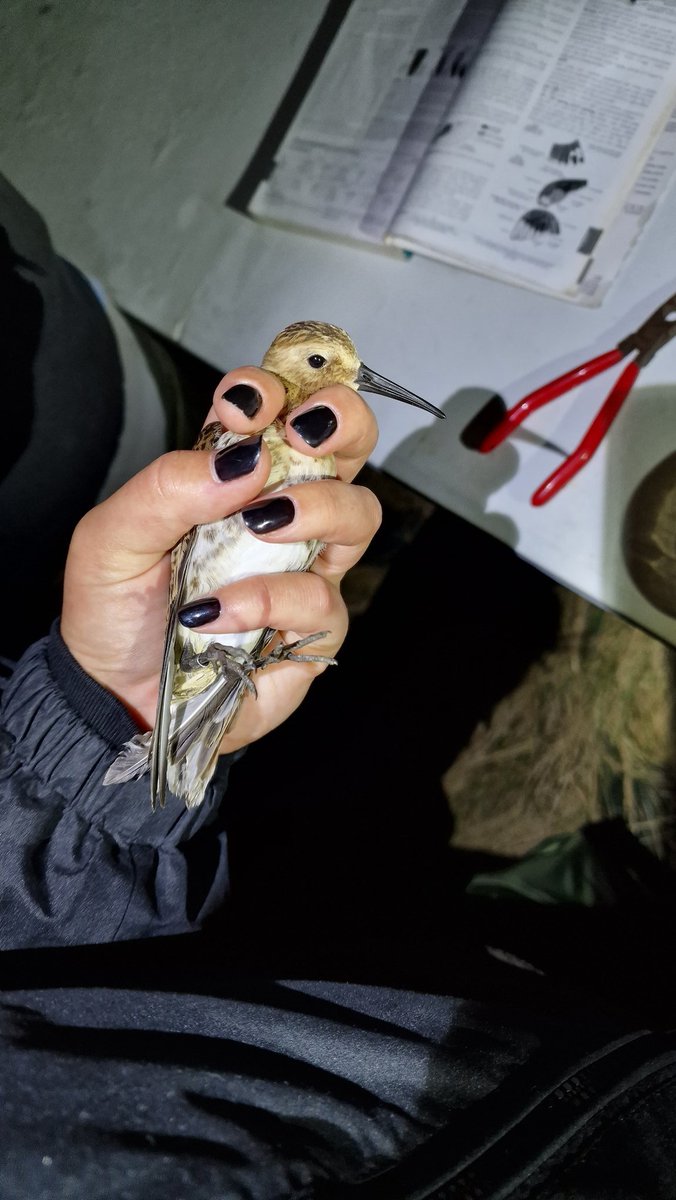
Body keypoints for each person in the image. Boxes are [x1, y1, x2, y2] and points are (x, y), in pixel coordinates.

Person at [2, 177, 676, 1199]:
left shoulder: (254, 452)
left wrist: (107, 712)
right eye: (324, 368)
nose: (347, 382)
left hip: (464, 1029)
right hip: (486, 1063)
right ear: (288, 368)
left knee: (370, 721)